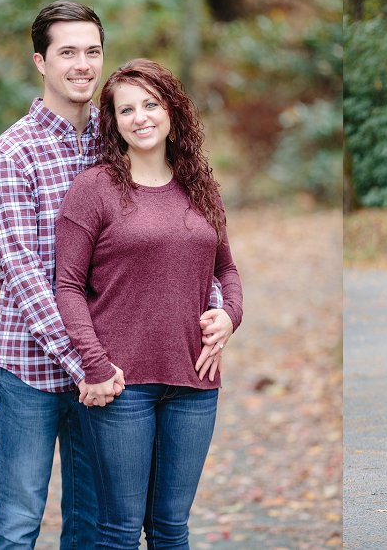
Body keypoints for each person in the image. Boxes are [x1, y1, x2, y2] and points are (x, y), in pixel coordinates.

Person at [0, 2, 223, 548]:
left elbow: (175, 234)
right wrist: (84, 364)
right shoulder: (12, 152)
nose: (82, 64)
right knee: (19, 520)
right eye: (67, 52)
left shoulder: (117, 133)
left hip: (112, 371)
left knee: (93, 526)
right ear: (40, 62)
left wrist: (216, 307)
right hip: (34, 369)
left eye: (92, 51)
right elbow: (23, 272)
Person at [54, 58, 242, 548]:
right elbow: (67, 286)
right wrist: (94, 364)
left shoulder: (200, 187)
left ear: (172, 112)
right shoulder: (94, 189)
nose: (140, 117)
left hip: (195, 382)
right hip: (121, 384)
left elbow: (226, 270)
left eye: (150, 104)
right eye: (126, 109)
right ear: (113, 123)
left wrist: (230, 315)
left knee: (171, 528)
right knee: (119, 528)